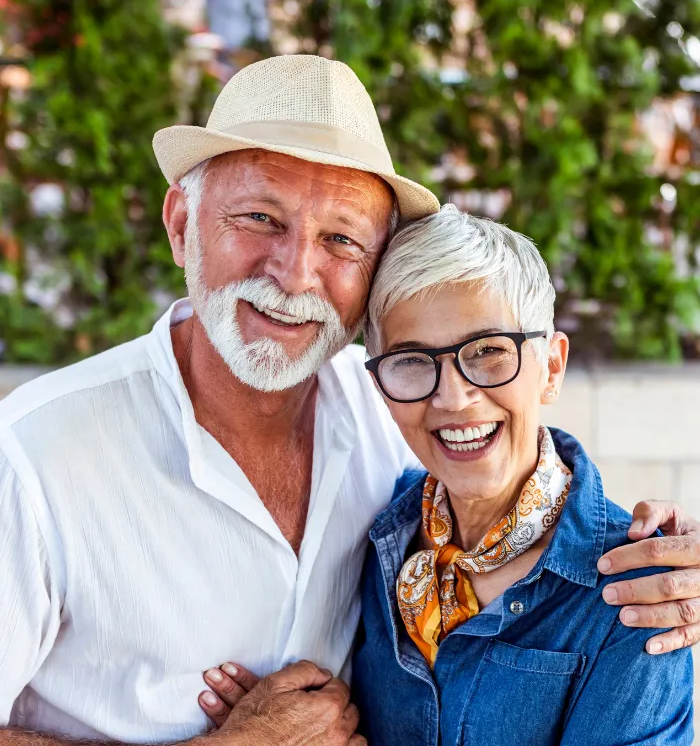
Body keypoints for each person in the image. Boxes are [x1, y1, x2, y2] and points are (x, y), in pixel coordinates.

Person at [0, 56, 698, 746]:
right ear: (182, 223)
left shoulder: (390, 413)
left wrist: (672, 549)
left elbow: (519, 479)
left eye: (341, 238)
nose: (296, 273)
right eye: (260, 218)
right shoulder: (34, 454)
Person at [350, 207, 693, 744]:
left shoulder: (637, 598)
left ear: (551, 368)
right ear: (380, 387)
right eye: (413, 360)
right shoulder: (372, 537)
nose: (453, 397)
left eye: (488, 352)